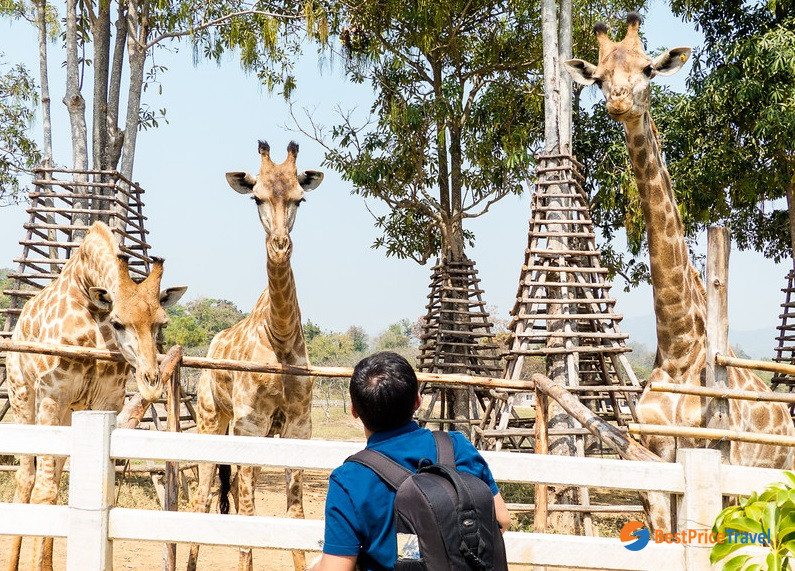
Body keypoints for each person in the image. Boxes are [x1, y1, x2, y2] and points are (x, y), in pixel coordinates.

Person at [308, 351, 511, 571]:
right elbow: (502, 519)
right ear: (417, 401)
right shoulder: (455, 446)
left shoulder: (349, 479)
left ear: (354, 411)